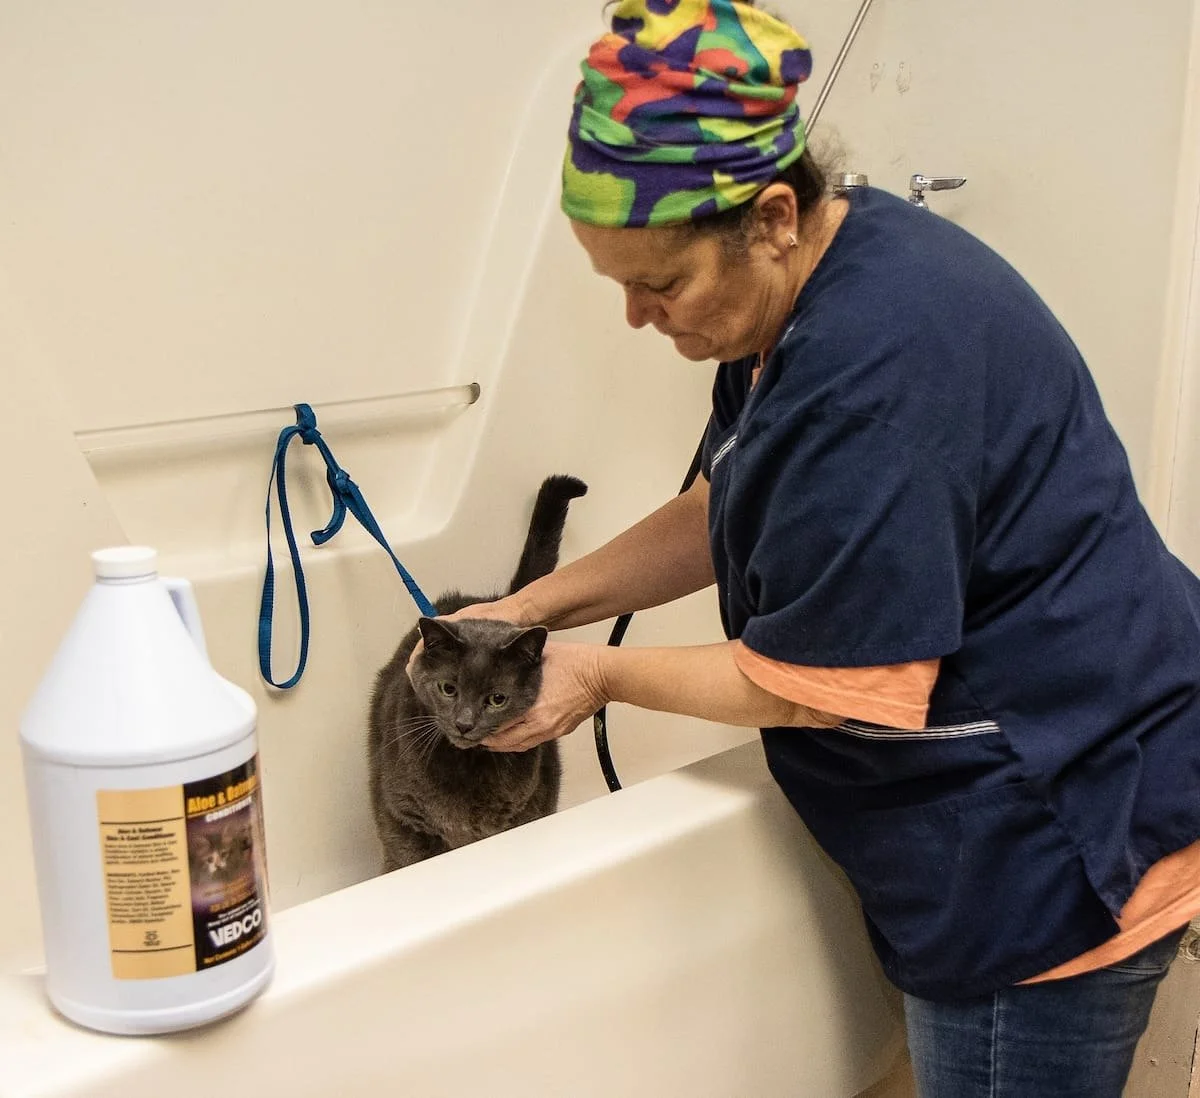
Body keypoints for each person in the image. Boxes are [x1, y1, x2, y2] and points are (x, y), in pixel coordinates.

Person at [417, 2, 1200, 1093]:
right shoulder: (812, 283)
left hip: (1054, 836)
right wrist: (531, 610)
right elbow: (721, 504)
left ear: (773, 216)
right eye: (619, 284)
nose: (637, 316)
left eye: (661, 283)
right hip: (1037, 780)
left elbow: (825, 687)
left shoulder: (872, 367)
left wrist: (594, 675)